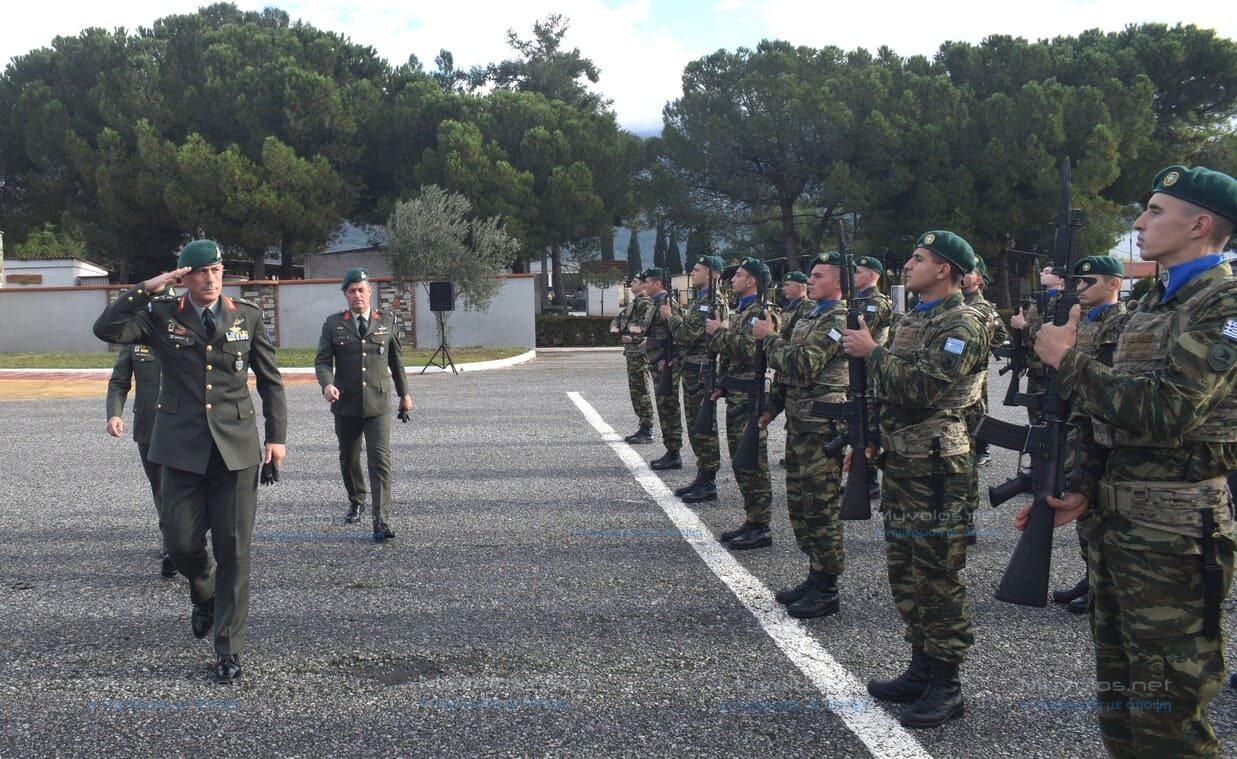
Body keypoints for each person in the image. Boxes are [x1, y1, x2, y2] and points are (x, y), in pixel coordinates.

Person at [1030, 165, 1236, 758]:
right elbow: (1105, 413)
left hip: (1175, 538)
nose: (1138, 223)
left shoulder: (1224, 304)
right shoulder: (1151, 302)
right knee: (1121, 706)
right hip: (1118, 529)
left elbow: (1169, 411)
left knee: (1167, 716)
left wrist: (1068, 362)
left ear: (1199, 224)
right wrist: (1085, 486)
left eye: (1153, 211)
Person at [93, 239, 287, 683]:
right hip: (179, 451)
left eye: (217, 269)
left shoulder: (247, 317)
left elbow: (272, 383)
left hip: (235, 451)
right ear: (183, 277)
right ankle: (203, 592)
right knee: (180, 544)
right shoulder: (160, 316)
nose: (210, 278)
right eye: (199, 271)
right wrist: (149, 285)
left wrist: (277, 438)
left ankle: (228, 650)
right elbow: (105, 328)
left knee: (235, 553)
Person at [841, 231, 987, 729]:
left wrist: (871, 351)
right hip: (902, 464)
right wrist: (868, 438)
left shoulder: (961, 323)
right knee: (904, 572)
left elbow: (924, 386)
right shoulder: (913, 319)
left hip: (937, 469)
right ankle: (921, 668)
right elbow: (888, 390)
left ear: (944, 269)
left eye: (919, 259)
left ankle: (947, 685)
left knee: (936, 576)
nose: (908, 265)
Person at [757, 252, 848, 617]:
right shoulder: (811, 315)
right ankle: (815, 573)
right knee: (800, 504)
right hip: (799, 424)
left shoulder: (838, 319)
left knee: (821, 507)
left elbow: (805, 363)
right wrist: (772, 405)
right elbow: (787, 374)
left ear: (839, 283)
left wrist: (769, 340)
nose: (811, 280)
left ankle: (827, 587)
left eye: (819, 275)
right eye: (810, 274)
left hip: (822, 428)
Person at [1049, 255, 1127, 616]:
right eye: (1078, 283)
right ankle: (1089, 574)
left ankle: (1099, 580)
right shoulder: (1076, 322)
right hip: (1072, 422)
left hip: (1098, 426)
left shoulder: (1123, 323)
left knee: (1098, 508)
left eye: (1088, 282)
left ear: (1113, 283)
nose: (1079, 289)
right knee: (1079, 498)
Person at [315, 268, 412, 541]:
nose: (357, 295)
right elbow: (322, 360)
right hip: (345, 403)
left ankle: (380, 521)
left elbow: (396, 361)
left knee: (380, 461)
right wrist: (327, 384)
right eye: (351, 291)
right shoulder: (334, 324)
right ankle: (356, 499)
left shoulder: (387, 321)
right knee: (349, 457)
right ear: (345, 295)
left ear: (370, 292)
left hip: (378, 403)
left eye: (361, 289)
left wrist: (405, 395)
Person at [706, 258, 781, 550]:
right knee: (741, 462)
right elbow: (733, 356)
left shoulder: (762, 312)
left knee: (753, 462)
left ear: (752, 281)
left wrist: (718, 333)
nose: (732, 279)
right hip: (737, 393)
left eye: (738, 275)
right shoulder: (743, 310)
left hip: (751, 396)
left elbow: (750, 349)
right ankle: (752, 520)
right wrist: (724, 382)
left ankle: (761, 525)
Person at [107, 340, 175, 579]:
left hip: (184, 425)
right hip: (149, 426)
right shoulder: (135, 341)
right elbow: (119, 381)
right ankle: (172, 546)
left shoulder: (187, 329)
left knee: (187, 487)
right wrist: (115, 413)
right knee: (161, 487)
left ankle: (185, 544)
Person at [667, 256, 729, 501]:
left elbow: (686, 334)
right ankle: (703, 476)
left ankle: (709, 480)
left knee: (703, 425)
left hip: (702, 370)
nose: (693, 273)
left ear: (713, 274)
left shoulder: (709, 301)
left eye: (697, 269)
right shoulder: (701, 299)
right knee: (696, 425)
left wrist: (670, 316)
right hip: (693, 367)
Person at [638, 268, 684, 470]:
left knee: (669, 407)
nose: (644, 285)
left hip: (667, 363)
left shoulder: (668, 304)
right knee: (663, 406)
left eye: (647, 282)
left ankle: (674, 452)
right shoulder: (655, 305)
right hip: (657, 362)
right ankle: (670, 450)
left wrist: (655, 345)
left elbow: (678, 336)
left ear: (658, 284)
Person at [611, 274, 655, 444]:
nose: (632, 284)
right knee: (636, 391)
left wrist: (634, 338)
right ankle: (643, 427)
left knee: (641, 391)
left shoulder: (645, 303)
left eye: (635, 282)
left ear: (644, 284)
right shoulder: (635, 302)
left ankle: (647, 428)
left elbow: (647, 327)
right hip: (632, 353)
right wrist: (615, 326)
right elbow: (620, 318)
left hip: (639, 353)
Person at [1011, 263, 1064, 402]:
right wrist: (1023, 361)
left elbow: (1051, 335)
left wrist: (1023, 325)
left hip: (1049, 369)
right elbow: (1028, 337)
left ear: (1060, 279)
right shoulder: (1036, 300)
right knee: (1032, 411)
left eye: (1047, 272)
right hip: (1034, 367)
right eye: (1042, 271)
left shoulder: (1061, 303)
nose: (1041, 274)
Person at [853, 256, 893, 346]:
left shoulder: (876, 302)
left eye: (857, 272)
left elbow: (861, 331)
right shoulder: (859, 299)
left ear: (871, 275)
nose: (853, 275)